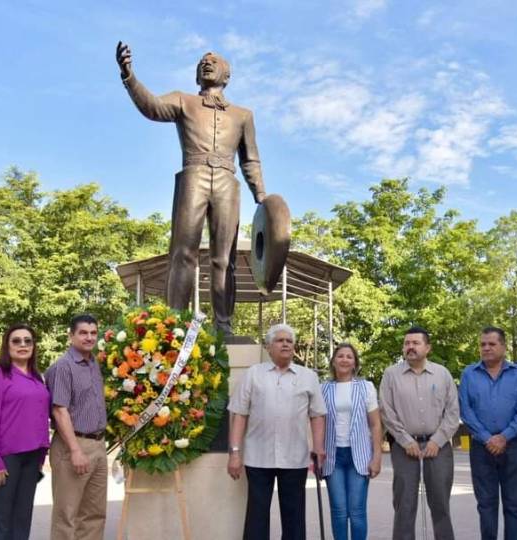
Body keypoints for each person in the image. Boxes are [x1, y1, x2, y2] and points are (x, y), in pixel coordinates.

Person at [116, 43, 267, 334]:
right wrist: (129, 76)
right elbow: (153, 107)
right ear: (197, 76)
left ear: (227, 75)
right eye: (201, 62)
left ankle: (223, 324)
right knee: (183, 253)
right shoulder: (183, 100)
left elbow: (251, 159)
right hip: (193, 175)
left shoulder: (243, 115)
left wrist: (261, 197)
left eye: (214, 61)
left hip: (227, 181)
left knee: (225, 259)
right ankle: (176, 323)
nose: (206, 64)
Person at [227, 323, 326, 540]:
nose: (285, 344)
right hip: (257, 457)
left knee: (294, 517)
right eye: (280, 340)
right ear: (269, 347)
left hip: (294, 458)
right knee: (257, 516)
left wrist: (319, 447)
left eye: (289, 341)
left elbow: (317, 415)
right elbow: (239, 414)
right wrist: (235, 452)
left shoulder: (308, 376)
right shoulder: (253, 374)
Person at [380, 326, 460, 540]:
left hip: (438, 447)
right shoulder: (391, 374)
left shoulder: (442, 374)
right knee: (404, 504)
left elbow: (453, 412)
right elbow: (386, 412)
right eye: (407, 343)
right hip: (404, 448)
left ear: (428, 347)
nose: (410, 347)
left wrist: (438, 440)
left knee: (441, 503)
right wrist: (405, 440)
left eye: (415, 343)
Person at [0, 324, 52, 540]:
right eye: (16, 340)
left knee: (22, 518)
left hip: (32, 456)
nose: (23, 345)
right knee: (1, 520)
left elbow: (40, 417)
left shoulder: (38, 378)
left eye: (28, 341)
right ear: (7, 346)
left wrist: (41, 454)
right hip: (5, 458)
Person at [459, 326, 517, 540]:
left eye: (492, 344)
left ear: (504, 346)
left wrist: (504, 436)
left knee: (515, 504)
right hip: (481, 448)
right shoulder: (469, 374)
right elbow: (466, 410)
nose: (486, 348)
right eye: (482, 344)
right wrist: (486, 437)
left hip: (513, 446)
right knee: (486, 504)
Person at [45, 314, 108, 540]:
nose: (89, 337)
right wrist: (75, 451)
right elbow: (59, 411)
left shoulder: (94, 364)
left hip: (98, 446)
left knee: (94, 514)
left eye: (93, 333)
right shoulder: (63, 367)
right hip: (73, 446)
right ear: (71, 335)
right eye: (83, 333)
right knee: (67, 516)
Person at [320, 343, 382, 540]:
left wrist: (377, 457)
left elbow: (375, 425)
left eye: (349, 356)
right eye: (340, 356)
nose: (345, 359)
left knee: (356, 513)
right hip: (333, 456)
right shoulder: (323, 388)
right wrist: (316, 453)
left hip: (359, 456)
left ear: (355, 363)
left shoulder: (366, 387)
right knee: (338, 512)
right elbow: (316, 422)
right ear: (333, 361)